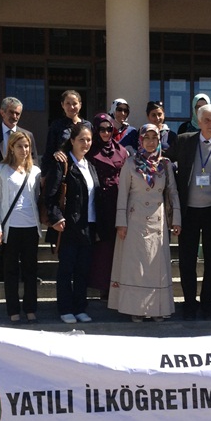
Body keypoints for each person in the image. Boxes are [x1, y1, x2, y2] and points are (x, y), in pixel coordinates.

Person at [167, 103, 211, 320]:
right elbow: (165, 161)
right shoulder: (184, 141)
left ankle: (208, 304)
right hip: (189, 211)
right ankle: (189, 304)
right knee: (187, 261)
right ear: (198, 121)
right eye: (207, 119)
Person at [108, 124, 181, 322]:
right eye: (146, 138)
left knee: (156, 267)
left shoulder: (165, 164)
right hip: (135, 222)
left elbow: (172, 192)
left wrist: (176, 219)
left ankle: (158, 308)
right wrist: (121, 223)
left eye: (154, 138)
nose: (150, 142)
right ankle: (136, 308)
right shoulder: (130, 163)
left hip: (158, 222)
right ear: (140, 140)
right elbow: (123, 194)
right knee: (137, 268)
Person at [45, 122, 100, 324]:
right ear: (72, 141)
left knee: (83, 270)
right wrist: (56, 218)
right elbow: (50, 195)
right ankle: (65, 308)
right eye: (81, 139)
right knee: (66, 269)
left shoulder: (90, 165)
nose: (86, 143)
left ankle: (80, 307)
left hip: (88, 225)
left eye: (89, 140)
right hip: (68, 226)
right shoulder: (63, 163)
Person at [0, 96, 38, 282]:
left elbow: (34, 162)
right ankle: (0, 271)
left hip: (22, 193)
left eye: (18, 113)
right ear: (2, 112)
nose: (15, 116)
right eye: (11, 112)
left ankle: (26, 273)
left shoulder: (27, 135)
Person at [0, 131, 42, 324]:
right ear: (11, 147)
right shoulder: (1, 170)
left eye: (27, 146)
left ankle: (30, 309)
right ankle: (13, 310)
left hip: (31, 226)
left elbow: (38, 197)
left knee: (30, 270)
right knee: (10, 271)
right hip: (11, 227)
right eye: (20, 146)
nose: (24, 150)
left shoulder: (35, 171)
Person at [86, 113, 128, 299]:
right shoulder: (89, 150)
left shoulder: (121, 150)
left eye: (109, 129)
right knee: (102, 246)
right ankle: (101, 285)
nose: (105, 133)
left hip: (117, 201)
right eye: (101, 129)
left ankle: (116, 285)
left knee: (115, 245)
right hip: (98, 202)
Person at [41, 90, 89, 179]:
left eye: (75, 103)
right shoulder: (57, 125)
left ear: (80, 105)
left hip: (84, 168)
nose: (71, 107)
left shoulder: (88, 126)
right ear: (62, 105)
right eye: (68, 103)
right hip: (63, 170)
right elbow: (49, 150)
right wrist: (44, 175)